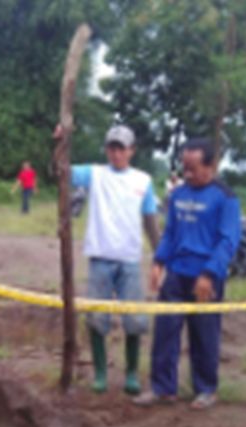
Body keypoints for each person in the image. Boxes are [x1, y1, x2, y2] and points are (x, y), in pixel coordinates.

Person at [134, 137, 241, 410]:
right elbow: (170, 233)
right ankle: (162, 388)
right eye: (185, 167)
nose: (188, 174)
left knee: (204, 335)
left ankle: (206, 389)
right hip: (176, 275)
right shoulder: (178, 194)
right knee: (165, 333)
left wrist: (208, 274)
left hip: (206, 278)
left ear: (211, 166)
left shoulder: (225, 198)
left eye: (193, 168)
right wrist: (158, 262)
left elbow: (228, 240)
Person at [69, 125, 161, 394]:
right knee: (97, 318)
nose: (116, 153)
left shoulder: (143, 181)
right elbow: (60, 171)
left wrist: (159, 256)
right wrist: (61, 141)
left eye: (121, 148)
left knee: (134, 319)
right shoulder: (94, 174)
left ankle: (131, 373)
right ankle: (100, 373)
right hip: (100, 257)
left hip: (130, 259)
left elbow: (150, 221)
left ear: (132, 151)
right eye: (111, 147)